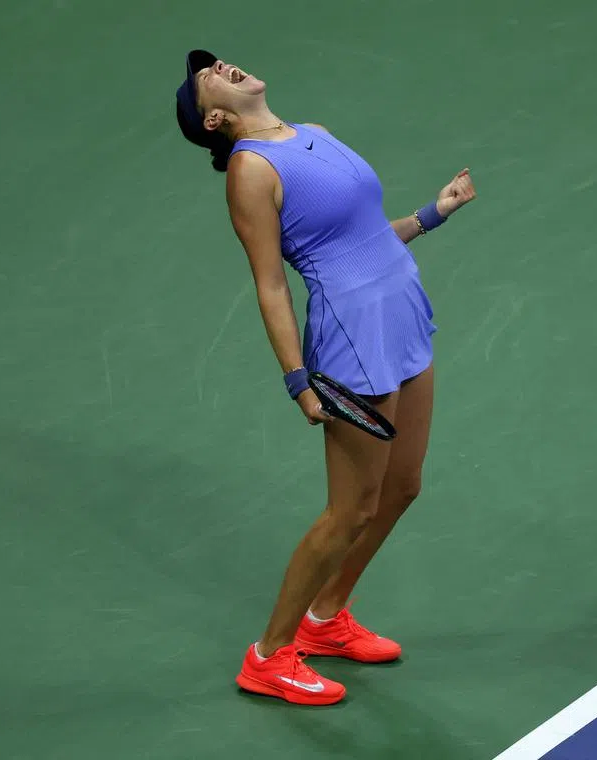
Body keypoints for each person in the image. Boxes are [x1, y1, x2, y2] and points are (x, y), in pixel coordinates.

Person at [174, 49, 476, 706]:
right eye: (208, 79)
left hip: (402, 316)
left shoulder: (316, 134)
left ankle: (326, 621)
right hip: (352, 342)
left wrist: (432, 214)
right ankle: (269, 656)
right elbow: (272, 285)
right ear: (217, 118)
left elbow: (364, 238)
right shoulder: (251, 172)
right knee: (350, 510)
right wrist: (296, 379)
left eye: (218, 63)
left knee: (401, 488)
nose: (222, 66)